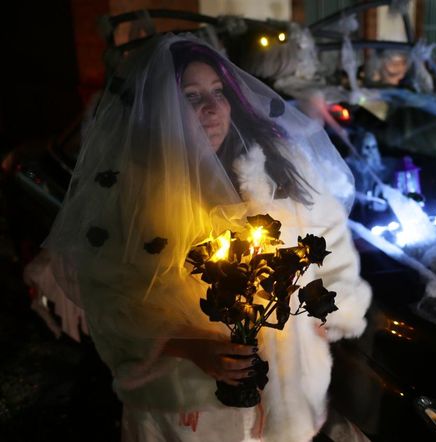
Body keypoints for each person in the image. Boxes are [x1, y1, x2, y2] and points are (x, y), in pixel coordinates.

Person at [43, 34, 371, 441]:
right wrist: (187, 346)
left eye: (218, 92)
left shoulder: (275, 166)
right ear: (161, 107)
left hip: (287, 388)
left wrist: (329, 313)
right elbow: (109, 296)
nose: (212, 108)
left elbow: (329, 237)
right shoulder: (134, 191)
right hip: (189, 407)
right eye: (192, 96)